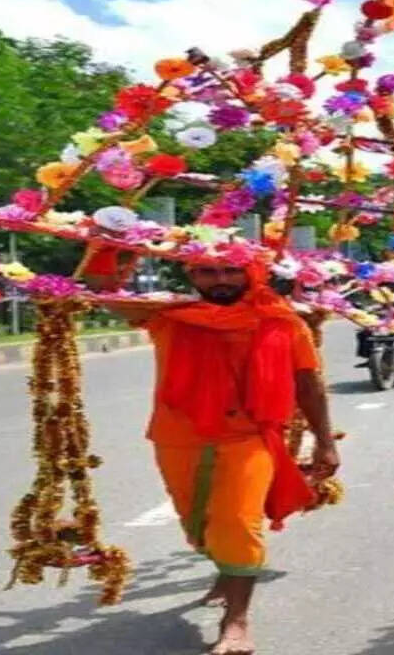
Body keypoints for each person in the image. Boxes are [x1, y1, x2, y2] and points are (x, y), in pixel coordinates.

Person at [100, 258, 340, 655]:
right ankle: (227, 570)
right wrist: (111, 243)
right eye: (208, 272)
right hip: (178, 437)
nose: (222, 279)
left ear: (251, 273)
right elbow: (103, 293)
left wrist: (325, 440)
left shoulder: (283, 321)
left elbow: (307, 385)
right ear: (192, 276)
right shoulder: (169, 316)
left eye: (231, 271)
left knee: (238, 522)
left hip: (249, 437)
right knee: (198, 525)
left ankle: (236, 621)